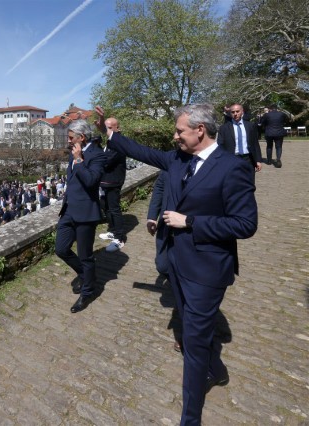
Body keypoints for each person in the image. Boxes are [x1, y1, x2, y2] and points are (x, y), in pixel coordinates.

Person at [96, 103, 257, 425]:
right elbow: (140, 151)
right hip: (176, 265)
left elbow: (245, 224)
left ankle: (190, 417)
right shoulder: (177, 159)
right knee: (195, 331)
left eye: (180, 130)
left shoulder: (232, 167)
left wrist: (191, 221)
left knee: (193, 345)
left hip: (207, 271)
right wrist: (109, 133)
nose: (175, 136)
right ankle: (216, 370)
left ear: (200, 130)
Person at [54, 119, 107, 313]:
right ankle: (85, 275)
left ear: (81, 137)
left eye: (70, 138)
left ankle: (87, 291)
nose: (68, 141)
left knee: (85, 255)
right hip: (69, 210)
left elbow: (92, 181)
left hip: (86, 213)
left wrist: (78, 160)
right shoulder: (75, 152)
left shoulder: (97, 155)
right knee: (61, 248)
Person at [98, 116, 127, 252]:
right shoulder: (109, 142)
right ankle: (113, 230)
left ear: (117, 128)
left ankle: (120, 238)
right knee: (107, 207)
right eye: (106, 127)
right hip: (106, 181)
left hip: (114, 181)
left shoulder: (118, 143)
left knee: (114, 209)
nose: (107, 130)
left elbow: (107, 161)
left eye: (110, 127)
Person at [216, 103, 262, 174]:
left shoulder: (250, 126)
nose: (235, 114)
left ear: (242, 111)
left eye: (237, 111)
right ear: (230, 113)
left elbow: (255, 144)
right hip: (232, 159)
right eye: (233, 112)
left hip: (248, 159)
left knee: (249, 183)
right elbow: (220, 145)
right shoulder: (224, 128)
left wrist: (258, 160)